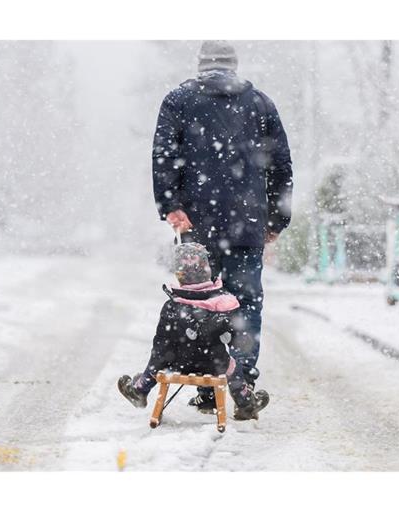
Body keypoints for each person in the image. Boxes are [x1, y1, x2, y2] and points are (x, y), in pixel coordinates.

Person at [152, 41, 293, 412]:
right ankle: (241, 383)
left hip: (197, 224)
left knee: (201, 305)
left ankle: (206, 388)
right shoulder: (261, 104)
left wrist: (172, 206)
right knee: (245, 305)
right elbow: (281, 165)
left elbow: (164, 154)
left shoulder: (178, 101)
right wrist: (276, 219)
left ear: (201, 66)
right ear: (234, 66)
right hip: (247, 224)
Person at [118, 243, 270, 420]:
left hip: (175, 363)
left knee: (161, 351)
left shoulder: (172, 306)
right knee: (232, 365)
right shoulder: (224, 304)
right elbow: (237, 341)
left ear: (178, 274)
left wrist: (154, 368)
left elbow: (160, 345)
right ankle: (245, 403)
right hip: (214, 364)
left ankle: (140, 389)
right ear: (208, 270)